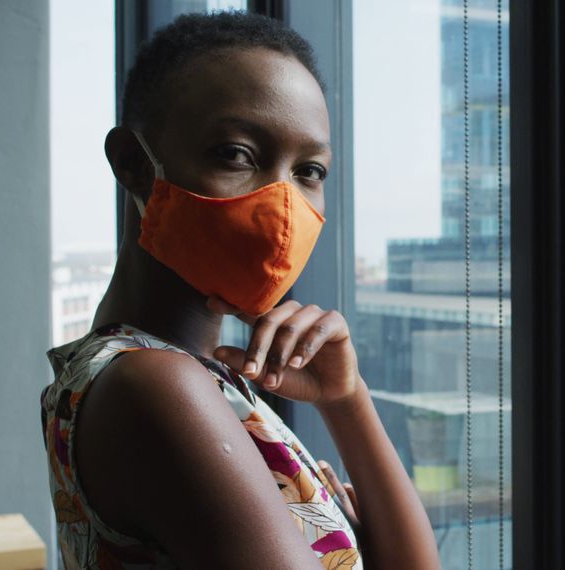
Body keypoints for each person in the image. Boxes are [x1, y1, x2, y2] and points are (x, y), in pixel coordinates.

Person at [40, 11, 440, 569]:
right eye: (236, 154)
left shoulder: (181, 376)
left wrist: (347, 399)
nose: (282, 204)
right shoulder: (157, 385)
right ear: (133, 163)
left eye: (310, 171)